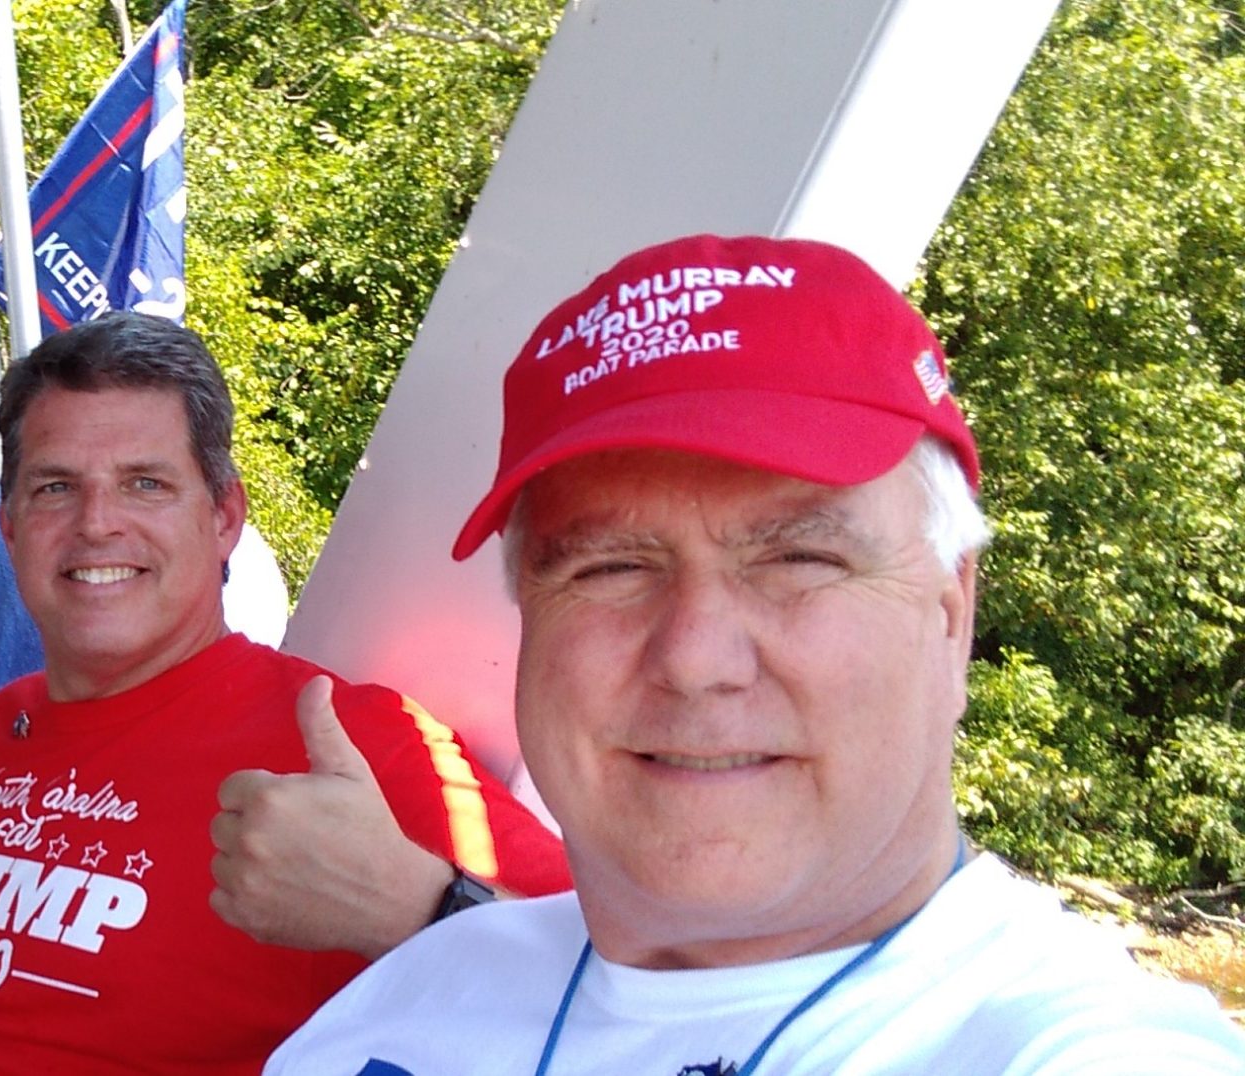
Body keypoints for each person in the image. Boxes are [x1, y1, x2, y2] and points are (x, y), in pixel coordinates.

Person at [266, 234, 1245, 1074]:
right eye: (611, 567)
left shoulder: (1066, 1044)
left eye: (799, 559)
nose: (695, 657)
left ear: (951, 613)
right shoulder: (413, 992)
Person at [0, 311, 570, 1074]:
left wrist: (416, 907)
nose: (97, 524)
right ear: (9, 527)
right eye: (55, 487)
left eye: (145, 484)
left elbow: (613, 997)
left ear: (224, 517)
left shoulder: (349, 742)